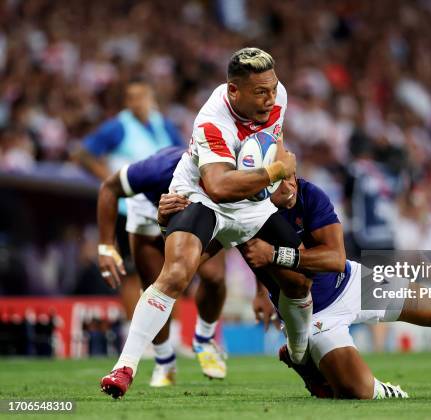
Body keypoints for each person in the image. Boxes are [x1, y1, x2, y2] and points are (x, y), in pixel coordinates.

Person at [100, 47, 313, 399]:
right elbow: (219, 187)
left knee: (298, 280)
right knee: (177, 271)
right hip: (202, 197)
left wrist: (285, 182)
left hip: (252, 200)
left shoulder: (278, 96)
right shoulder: (212, 120)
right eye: (261, 92)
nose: (270, 98)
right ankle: (125, 367)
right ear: (234, 91)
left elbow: (271, 140)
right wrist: (276, 171)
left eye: (273, 89)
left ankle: (299, 351)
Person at [237, 176, 431, 399]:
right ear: (262, 186)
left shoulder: (310, 194)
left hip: (350, 282)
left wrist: (277, 255)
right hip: (316, 313)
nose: (291, 185)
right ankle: (362, 382)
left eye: (292, 175)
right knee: (357, 391)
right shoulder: (249, 212)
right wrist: (258, 291)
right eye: (281, 180)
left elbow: (335, 258)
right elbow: (252, 251)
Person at [97, 146, 227, 387]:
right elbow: (109, 187)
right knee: (157, 286)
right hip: (148, 209)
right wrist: (106, 246)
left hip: (204, 211)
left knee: (214, 276)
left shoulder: (227, 173)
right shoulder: (158, 168)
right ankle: (165, 361)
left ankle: (204, 338)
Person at [74, 77, 184, 343]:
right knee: (133, 273)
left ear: (151, 99)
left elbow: (184, 153)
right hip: (128, 207)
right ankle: (136, 337)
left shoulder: (162, 124)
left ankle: (173, 338)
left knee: (174, 269)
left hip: (165, 205)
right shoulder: (118, 127)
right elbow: (83, 154)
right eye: (132, 97)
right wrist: (109, 179)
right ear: (127, 102)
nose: (137, 102)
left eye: (142, 96)